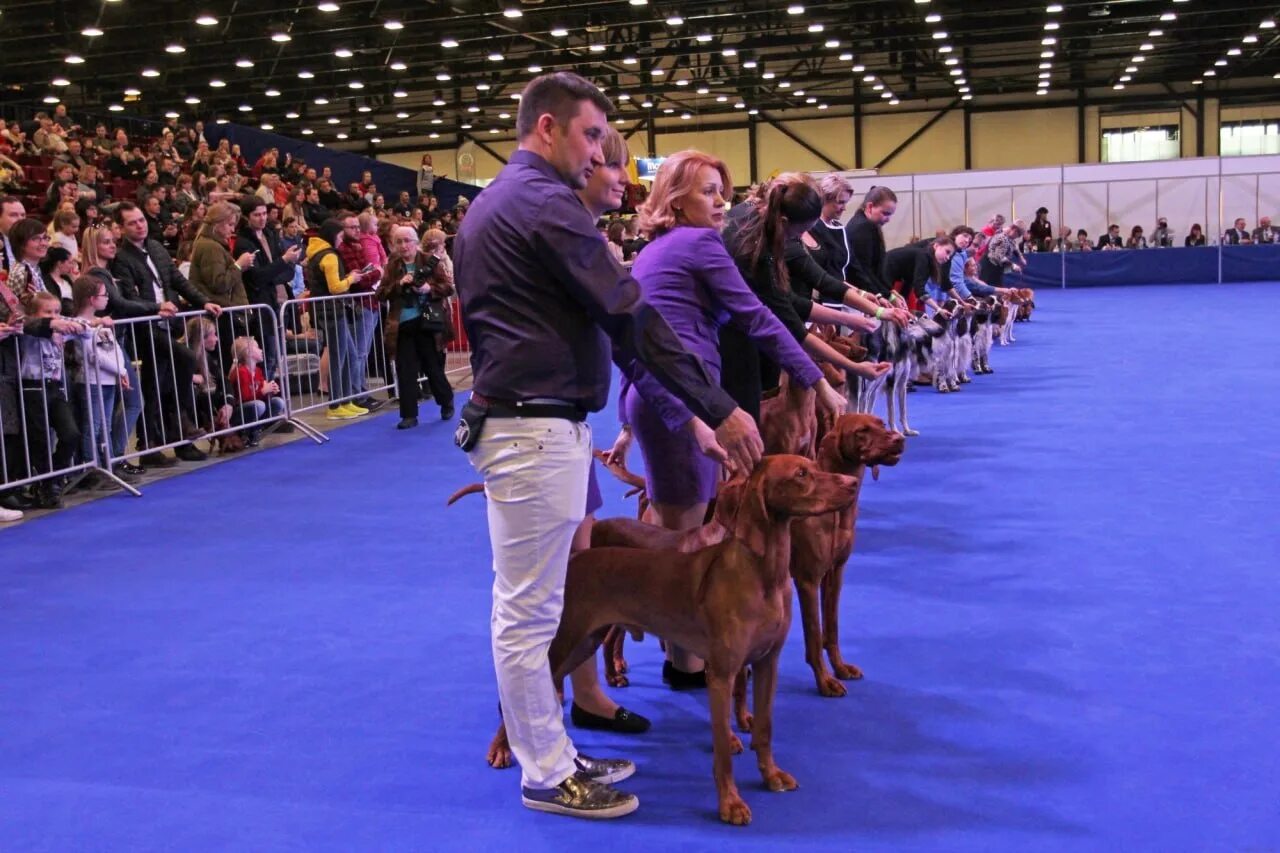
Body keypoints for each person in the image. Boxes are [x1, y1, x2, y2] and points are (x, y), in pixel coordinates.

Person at [453, 71, 760, 820]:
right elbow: (631, 317)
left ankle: (550, 747)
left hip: (532, 424)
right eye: (592, 136)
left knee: (541, 603)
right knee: (530, 612)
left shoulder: (497, 203)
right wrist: (717, 408)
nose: (600, 156)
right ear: (548, 127)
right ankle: (546, 771)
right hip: (532, 427)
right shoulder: (543, 203)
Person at [110, 201, 221, 464]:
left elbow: (178, 281)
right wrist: (156, 307)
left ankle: (174, 438)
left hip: (168, 325)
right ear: (122, 228)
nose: (140, 225)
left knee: (161, 385)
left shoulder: (157, 248)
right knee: (181, 362)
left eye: (141, 220)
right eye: (132, 222)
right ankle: (169, 429)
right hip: (145, 327)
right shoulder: (122, 259)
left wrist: (203, 301)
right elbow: (126, 297)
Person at [376, 225, 455, 429]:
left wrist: (429, 289)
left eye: (407, 241)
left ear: (416, 242)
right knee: (406, 370)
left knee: (433, 367)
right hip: (402, 324)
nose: (403, 246)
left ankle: (446, 402)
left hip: (428, 321)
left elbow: (447, 286)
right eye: (398, 242)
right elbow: (381, 293)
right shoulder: (392, 265)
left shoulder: (429, 260)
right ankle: (408, 415)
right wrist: (399, 284)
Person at [17, 292, 84, 507]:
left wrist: (78, 324)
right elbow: (30, 326)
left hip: (54, 388)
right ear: (35, 314)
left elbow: (86, 331)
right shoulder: (30, 330)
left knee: (71, 434)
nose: (54, 316)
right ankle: (46, 486)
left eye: (57, 311)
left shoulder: (61, 330)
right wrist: (52, 324)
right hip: (32, 387)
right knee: (40, 439)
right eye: (48, 312)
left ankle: (52, 477)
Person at [67, 275, 136, 484]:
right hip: (91, 382)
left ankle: (104, 463)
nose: (107, 299)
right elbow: (93, 355)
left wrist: (121, 371)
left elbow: (114, 350)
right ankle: (91, 464)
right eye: (104, 295)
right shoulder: (79, 324)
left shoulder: (102, 324)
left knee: (104, 425)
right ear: (91, 299)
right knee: (93, 426)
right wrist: (120, 370)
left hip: (107, 380)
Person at [304, 218, 373, 420]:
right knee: (338, 357)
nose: (341, 240)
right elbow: (336, 288)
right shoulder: (329, 256)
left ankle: (345, 400)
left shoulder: (317, 253)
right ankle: (335, 404)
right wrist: (352, 279)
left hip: (329, 311)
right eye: (341, 236)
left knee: (346, 355)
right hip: (332, 311)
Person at [229, 336, 285, 446]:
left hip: (254, 406)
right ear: (248, 352)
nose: (261, 350)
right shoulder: (241, 372)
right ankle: (244, 431)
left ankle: (255, 430)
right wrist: (263, 391)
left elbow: (261, 392)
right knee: (259, 406)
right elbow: (244, 398)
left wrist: (271, 390)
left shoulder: (258, 371)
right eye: (257, 347)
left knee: (278, 402)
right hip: (239, 411)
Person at [980, 220, 1028, 288]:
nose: (1017, 237)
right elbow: (999, 257)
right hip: (990, 266)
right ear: (1014, 230)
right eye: (1018, 235)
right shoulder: (1002, 238)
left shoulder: (1009, 236)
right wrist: (1013, 266)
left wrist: (1021, 257)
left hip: (996, 265)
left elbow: (1014, 246)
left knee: (998, 289)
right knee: (990, 289)